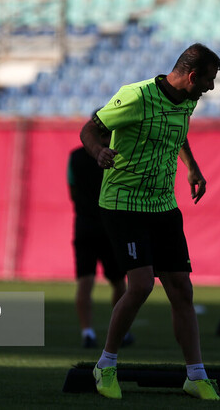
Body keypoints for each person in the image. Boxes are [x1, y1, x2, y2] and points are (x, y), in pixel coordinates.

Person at [80, 43, 220, 400]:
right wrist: (98, 151)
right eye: (209, 80)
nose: (211, 87)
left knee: (181, 289)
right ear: (192, 77)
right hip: (123, 203)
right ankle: (106, 365)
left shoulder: (188, 100)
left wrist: (192, 167)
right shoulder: (135, 96)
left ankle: (195, 375)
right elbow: (89, 129)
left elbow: (178, 133)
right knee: (141, 285)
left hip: (162, 204)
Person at [67, 121, 134, 349]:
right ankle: (121, 332)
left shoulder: (75, 157)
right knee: (118, 282)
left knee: (85, 281)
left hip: (84, 224)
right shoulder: (116, 156)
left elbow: (72, 189)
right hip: (110, 225)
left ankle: (87, 331)